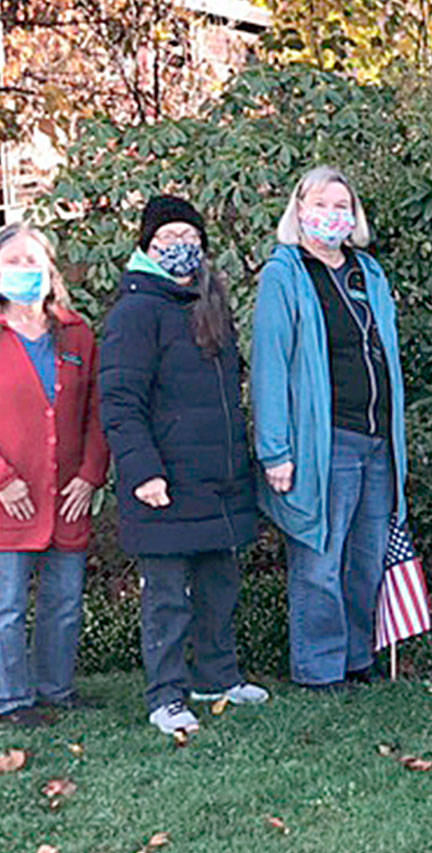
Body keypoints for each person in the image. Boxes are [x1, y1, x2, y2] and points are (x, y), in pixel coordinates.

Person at [100, 195, 267, 736]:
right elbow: (121, 402)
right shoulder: (135, 312)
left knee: (220, 588)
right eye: (167, 237)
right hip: (164, 484)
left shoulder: (208, 302)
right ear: (146, 246)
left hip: (218, 480)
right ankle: (166, 696)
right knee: (168, 599)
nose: (180, 247)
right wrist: (144, 471)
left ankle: (217, 676)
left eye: (188, 236)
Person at [251, 167, 408, 690]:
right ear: (299, 211)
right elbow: (271, 363)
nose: (332, 215)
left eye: (342, 205)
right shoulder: (286, 274)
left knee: (365, 558)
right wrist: (275, 451)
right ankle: (318, 670)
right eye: (322, 204)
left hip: (377, 443)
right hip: (325, 444)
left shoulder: (369, 273)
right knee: (320, 562)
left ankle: (356, 658)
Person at [0, 224, 109, 727]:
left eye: (34, 262)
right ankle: (10, 700)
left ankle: (55, 689)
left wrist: (90, 474)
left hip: (66, 495)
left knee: (64, 603)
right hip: (6, 500)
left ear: (51, 271)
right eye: (14, 262)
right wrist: (1, 479)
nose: (26, 271)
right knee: (5, 607)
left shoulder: (76, 333)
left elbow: (97, 413)